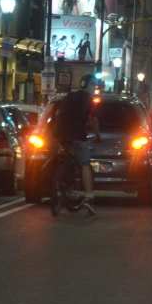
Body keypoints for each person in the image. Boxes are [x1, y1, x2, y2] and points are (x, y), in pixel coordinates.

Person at [52, 74, 102, 214]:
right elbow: (94, 121)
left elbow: (58, 114)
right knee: (85, 163)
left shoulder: (68, 97)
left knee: (61, 156)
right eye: (92, 84)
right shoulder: (90, 101)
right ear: (84, 84)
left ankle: (60, 178)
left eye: (95, 85)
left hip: (59, 135)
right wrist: (98, 136)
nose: (94, 87)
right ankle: (89, 197)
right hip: (77, 136)